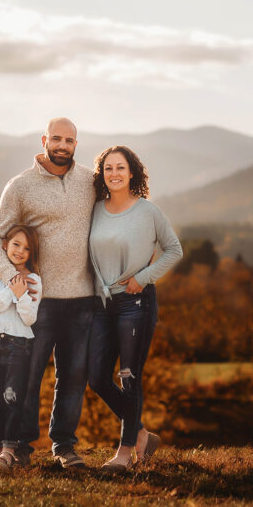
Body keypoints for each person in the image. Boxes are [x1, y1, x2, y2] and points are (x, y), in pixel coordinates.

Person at [0, 117, 97, 468]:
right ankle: (19, 447)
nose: (63, 145)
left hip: (82, 298)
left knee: (73, 377)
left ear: (76, 144)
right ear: (45, 140)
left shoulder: (89, 182)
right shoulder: (20, 186)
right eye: (58, 139)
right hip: (36, 301)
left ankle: (64, 446)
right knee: (29, 377)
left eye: (70, 140)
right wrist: (10, 278)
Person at [87, 145, 182, 472]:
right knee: (96, 376)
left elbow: (173, 249)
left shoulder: (148, 212)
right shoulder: (96, 210)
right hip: (103, 304)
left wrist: (143, 277)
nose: (114, 174)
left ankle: (125, 453)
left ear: (132, 173)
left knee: (129, 376)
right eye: (108, 168)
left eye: (120, 168)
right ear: (102, 174)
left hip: (135, 303)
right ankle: (142, 434)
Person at [0, 224, 42, 471]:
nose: (20, 251)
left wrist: (21, 295)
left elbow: (29, 318)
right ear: (5, 245)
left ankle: (9, 450)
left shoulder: (34, 279)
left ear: (32, 253)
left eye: (27, 248)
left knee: (11, 396)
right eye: (16, 244)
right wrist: (11, 293)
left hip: (18, 344)